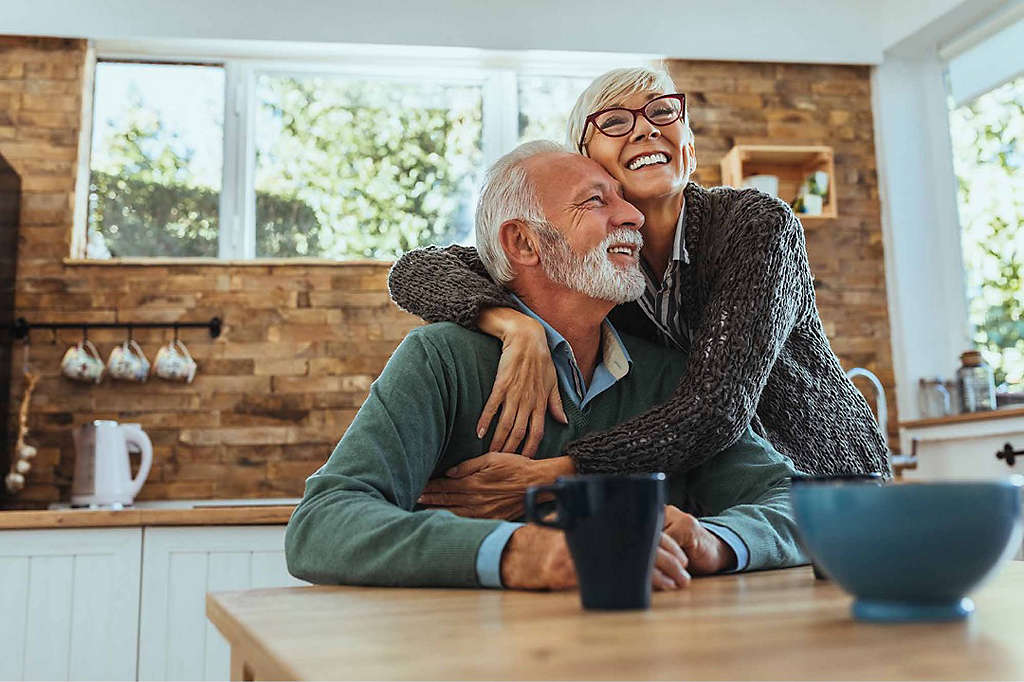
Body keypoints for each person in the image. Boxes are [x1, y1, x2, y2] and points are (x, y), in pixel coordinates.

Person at [285, 141, 805, 590]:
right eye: (596, 201)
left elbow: (795, 504)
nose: (634, 216)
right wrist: (521, 552)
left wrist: (714, 539)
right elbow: (322, 523)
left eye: (624, 199)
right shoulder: (441, 360)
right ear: (524, 243)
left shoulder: (669, 376)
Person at [388, 67, 890, 522]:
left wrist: (559, 472)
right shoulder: (592, 264)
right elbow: (417, 269)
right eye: (613, 122)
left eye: (662, 111)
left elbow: (716, 408)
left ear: (688, 147)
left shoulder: (756, 226)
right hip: (706, 499)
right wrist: (513, 323)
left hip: (820, 479)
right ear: (588, 164)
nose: (646, 128)